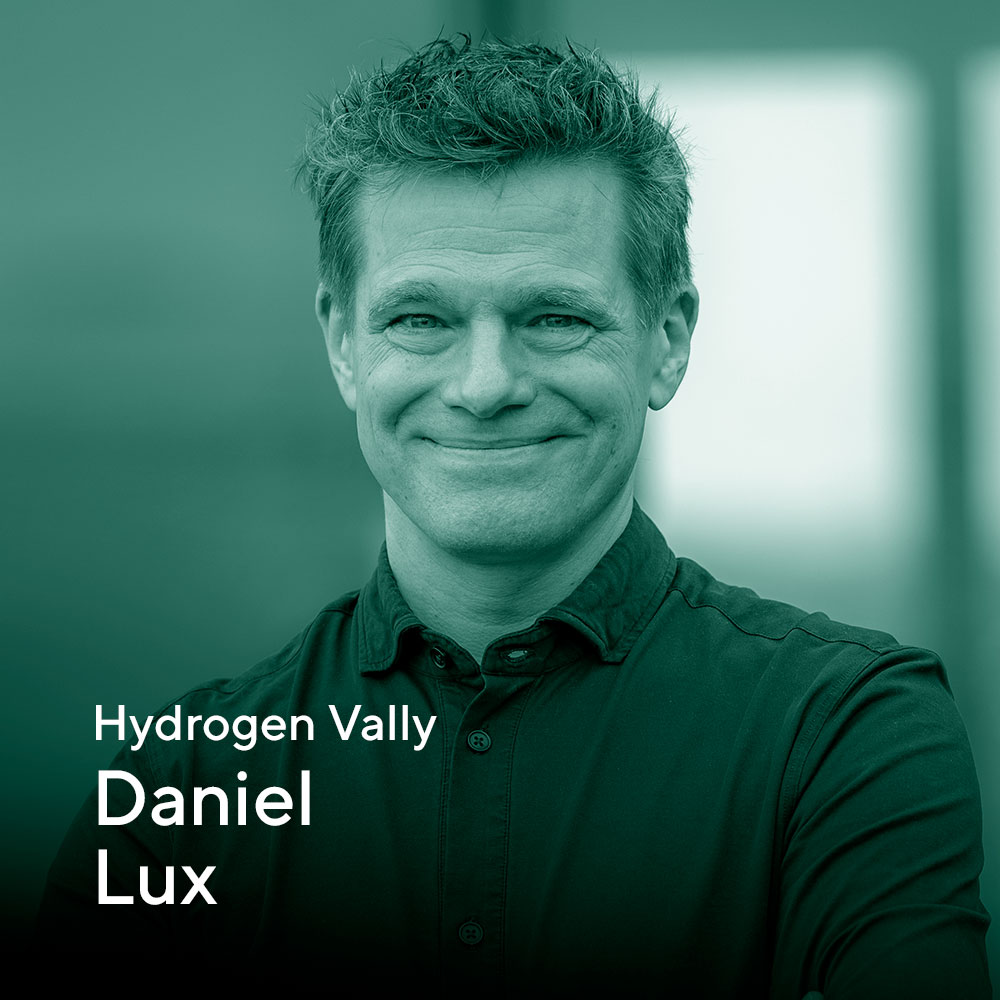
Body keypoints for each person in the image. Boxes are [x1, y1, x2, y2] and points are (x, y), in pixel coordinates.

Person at [37, 36, 990, 996]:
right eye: (420, 320)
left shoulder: (844, 734)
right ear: (343, 345)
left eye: (555, 318)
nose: (485, 385)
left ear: (667, 340)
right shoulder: (185, 782)